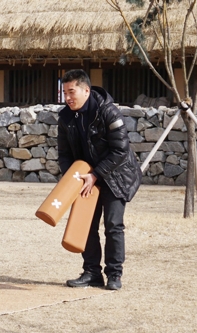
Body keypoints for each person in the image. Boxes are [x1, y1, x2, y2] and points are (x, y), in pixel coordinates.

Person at [57, 69, 142, 290]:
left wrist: (95, 175)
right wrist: (74, 180)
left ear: (86, 90)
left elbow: (120, 150)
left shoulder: (109, 112)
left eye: (71, 92)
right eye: (64, 92)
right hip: (85, 177)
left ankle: (114, 275)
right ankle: (91, 273)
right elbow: (64, 155)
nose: (67, 98)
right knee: (86, 225)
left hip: (116, 175)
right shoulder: (65, 117)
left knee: (113, 225)